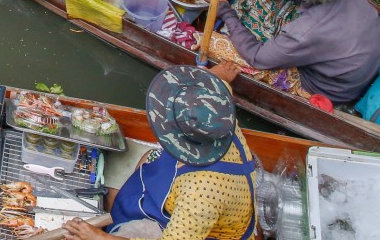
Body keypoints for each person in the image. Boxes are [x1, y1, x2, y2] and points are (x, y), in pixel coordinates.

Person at [63, 61, 257, 240]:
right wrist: (220, 74)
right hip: (186, 189)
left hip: (194, 230)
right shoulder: (216, 116)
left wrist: (99, 237)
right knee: (150, 157)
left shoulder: (201, 196)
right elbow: (213, 84)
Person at [198, 0, 380, 104]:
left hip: (330, 87)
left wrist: (225, 11)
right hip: (361, 52)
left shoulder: (306, 32)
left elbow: (258, 57)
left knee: (211, 42)